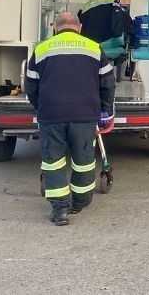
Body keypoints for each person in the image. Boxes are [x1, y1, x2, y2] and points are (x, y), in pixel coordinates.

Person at [24, 12, 115, 226]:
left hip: (51, 115)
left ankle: (60, 210)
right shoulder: (94, 48)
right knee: (83, 161)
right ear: (79, 27)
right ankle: (80, 202)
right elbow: (108, 83)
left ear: (55, 28)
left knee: (53, 162)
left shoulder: (41, 49)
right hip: (84, 115)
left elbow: (30, 86)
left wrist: (41, 107)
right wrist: (103, 109)